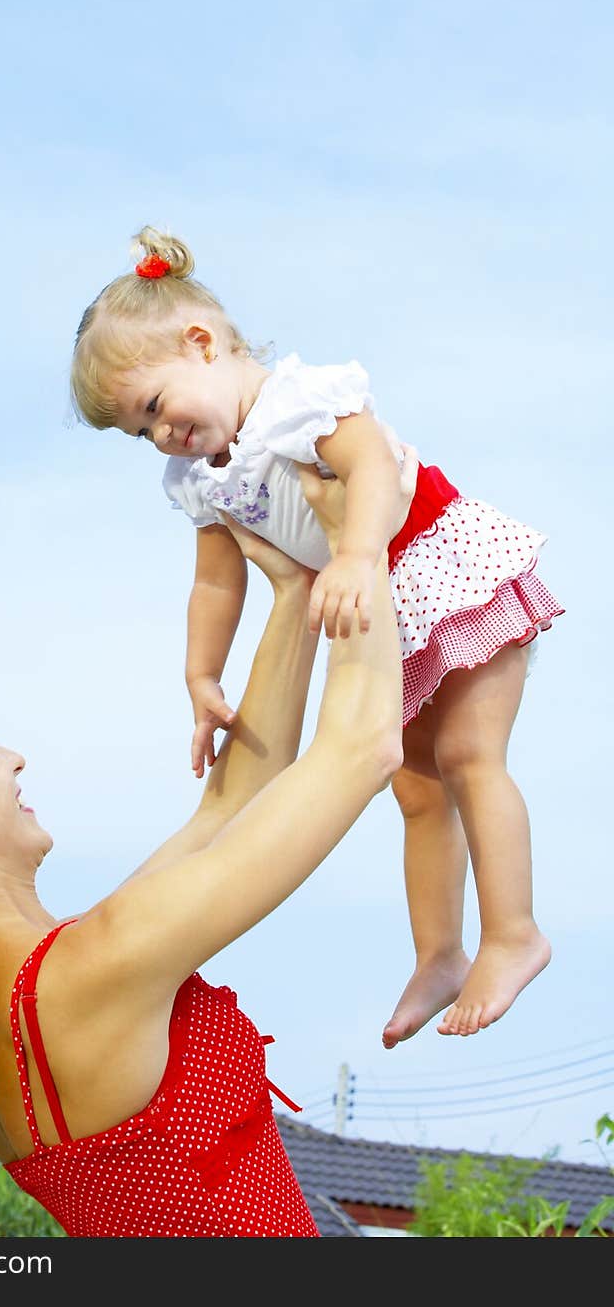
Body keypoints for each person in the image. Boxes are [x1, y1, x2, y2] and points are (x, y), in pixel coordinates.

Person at [0, 464, 411, 1239]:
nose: (14, 758)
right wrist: (366, 536)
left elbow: (229, 807)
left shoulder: (3, 1002)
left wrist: (295, 592)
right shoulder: (87, 974)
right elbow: (362, 747)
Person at [68, 226, 566, 1049]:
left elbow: (371, 464)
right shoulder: (201, 476)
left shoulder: (296, 399)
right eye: (137, 431)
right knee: (415, 789)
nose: (159, 436)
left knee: (471, 758)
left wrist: (358, 553)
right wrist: (201, 678)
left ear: (201, 345)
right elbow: (215, 579)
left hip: (439, 565)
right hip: (378, 616)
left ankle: (514, 933)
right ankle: (439, 953)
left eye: (154, 406)